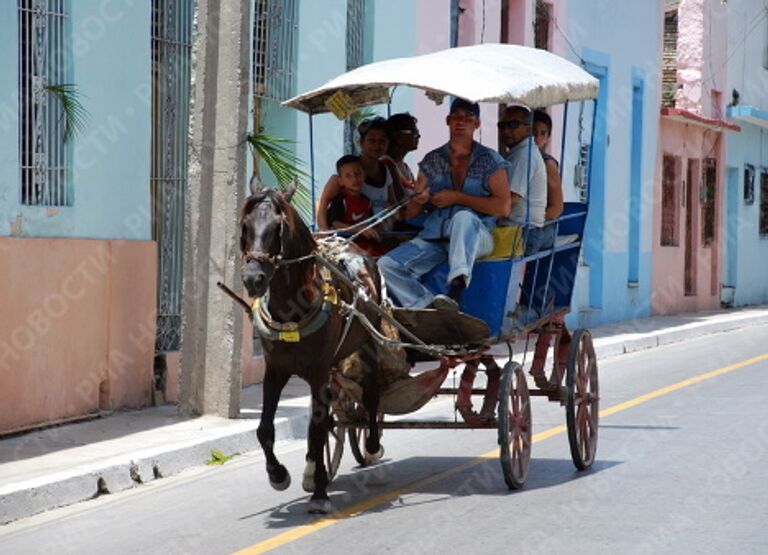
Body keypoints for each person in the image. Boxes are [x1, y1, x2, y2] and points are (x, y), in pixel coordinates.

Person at [377, 98, 511, 310]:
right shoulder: (433, 160)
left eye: (468, 118)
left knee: (463, 217)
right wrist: (419, 200)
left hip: (478, 237)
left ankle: (457, 287)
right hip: (437, 238)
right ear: (448, 121)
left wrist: (458, 198)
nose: (461, 122)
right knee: (386, 265)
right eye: (456, 117)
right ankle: (427, 307)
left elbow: (503, 207)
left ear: (477, 124)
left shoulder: (490, 161)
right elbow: (412, 211)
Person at [316, 117, 402, 231]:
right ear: (361, 142)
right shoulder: (347, 169)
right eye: (371, 140)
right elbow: (323, 201)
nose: (377, 146)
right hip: (350, 237)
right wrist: (324, 230)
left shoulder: (386, 170)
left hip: (380, 236)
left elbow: (393, 205)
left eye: (382, 141)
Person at [497, 105, 552, 255]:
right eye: (502, 126)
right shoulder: (517, 152)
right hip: (517, 230)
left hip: (521, 232)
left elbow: (511, 199)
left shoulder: (524, 155)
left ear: (528, 128)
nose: (506, 131)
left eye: (513, 125)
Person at [327, 155, 384, 256]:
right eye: (348, 176)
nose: (354, 179)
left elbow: (370, 224)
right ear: (340, 181)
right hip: (345, 246)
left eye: (358, 174)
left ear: (364, 176)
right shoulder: (340, 200)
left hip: (366, 245)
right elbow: (337, 225)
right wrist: (360, 230)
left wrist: (375, 232)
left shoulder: (367, 202)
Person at [532, 109, 564, 222]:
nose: (537, 138)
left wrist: (531, 222)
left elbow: (557, 208)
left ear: (548, 137)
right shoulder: (520, 159)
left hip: (540, 227)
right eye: (533, 132)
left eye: (543, 133)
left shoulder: (548, 164)